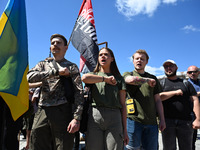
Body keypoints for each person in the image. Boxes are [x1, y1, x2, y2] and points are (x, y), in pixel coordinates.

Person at [27, 34, 84, 150]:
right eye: (53, 43)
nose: (55, 45)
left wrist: (76, 118)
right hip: (42, 111)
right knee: (37, 144)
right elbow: (29, 77)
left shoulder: (72, 67)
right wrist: (55, 72)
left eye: (58, 43)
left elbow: (79, 93)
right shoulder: (42, 64)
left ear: (66, 47)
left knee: (63, 146)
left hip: (63, 111)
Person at [81, 47, 129, 150]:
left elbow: (123, 105)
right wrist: (105, 79)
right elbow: (84, 78)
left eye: (106, 54)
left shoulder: (119, 79)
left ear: (112, 58)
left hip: (115, 117)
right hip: (94, 116)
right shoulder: (93, 75)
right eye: (100, 55)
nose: (103, 56)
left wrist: (125, 130)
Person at [123, 49, 166, 150]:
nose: (139, 61)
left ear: (147, 62)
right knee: (131, 148)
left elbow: (158, 100)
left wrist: (162, 119)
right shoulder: (127, 74)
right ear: (133, 61)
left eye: (142, 59)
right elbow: (130, 80)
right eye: (137, 58)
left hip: (151, 122)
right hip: (133, 120)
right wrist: (146, 80)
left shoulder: (153, 78)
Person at [159, 60, 200, 150]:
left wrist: (197, 119)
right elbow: (158, 98)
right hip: (167, 122)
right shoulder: (161, 83)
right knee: (168, 148)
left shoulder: (186, 83)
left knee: (186, 148)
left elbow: (195, 100)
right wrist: (175, 92)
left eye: (171, 66)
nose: (168, 68)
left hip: (185, 122)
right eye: (166, 66)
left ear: (176, 68)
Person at [187, 65, 200, 150]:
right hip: (192, 114)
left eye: (194, 71)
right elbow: (185, 98)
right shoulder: (185, 83)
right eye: (190, 72)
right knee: (191, 139)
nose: (192, 73)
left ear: (198, 72)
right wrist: (197, 94)